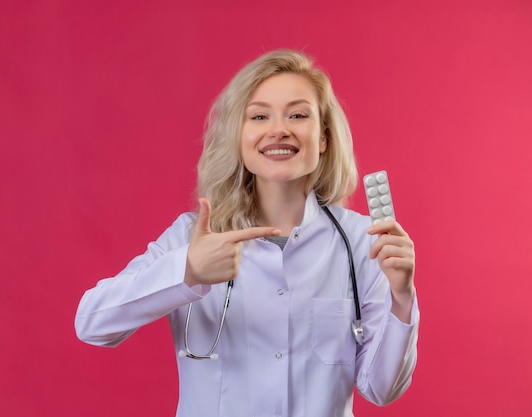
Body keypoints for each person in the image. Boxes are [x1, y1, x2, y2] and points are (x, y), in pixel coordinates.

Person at [75, 49, 419, 417]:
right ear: (238, 137)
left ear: (323, 138)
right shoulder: (191, 238)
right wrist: (187, 271)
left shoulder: (363, 242)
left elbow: (382, 389)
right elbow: (92, 323)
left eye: (298, 115)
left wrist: (402, 296)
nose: (279, 129)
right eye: (259, 116)